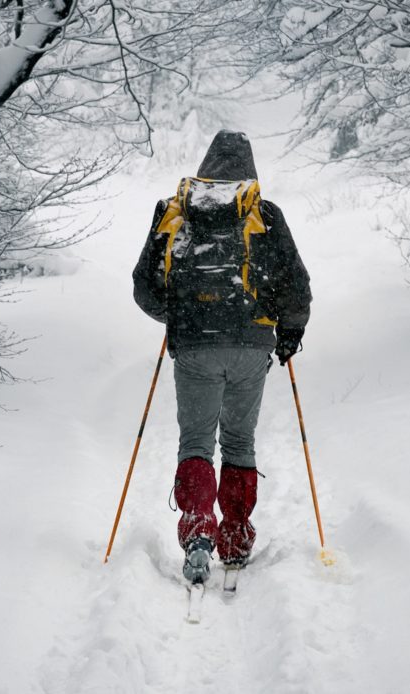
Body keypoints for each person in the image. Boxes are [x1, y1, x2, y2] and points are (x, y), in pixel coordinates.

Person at [132, 130, 312, 583]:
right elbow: (297, 286)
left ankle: (197, 534)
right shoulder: (265, 215)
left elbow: (144, 287)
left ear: (207, 166)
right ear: (250, 172)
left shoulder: (177, 214)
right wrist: (288, 335)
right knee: (239, 441)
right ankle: (234, 537)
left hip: (195, 347)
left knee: (195, 443)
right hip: (252, 346)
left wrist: (177, 316)